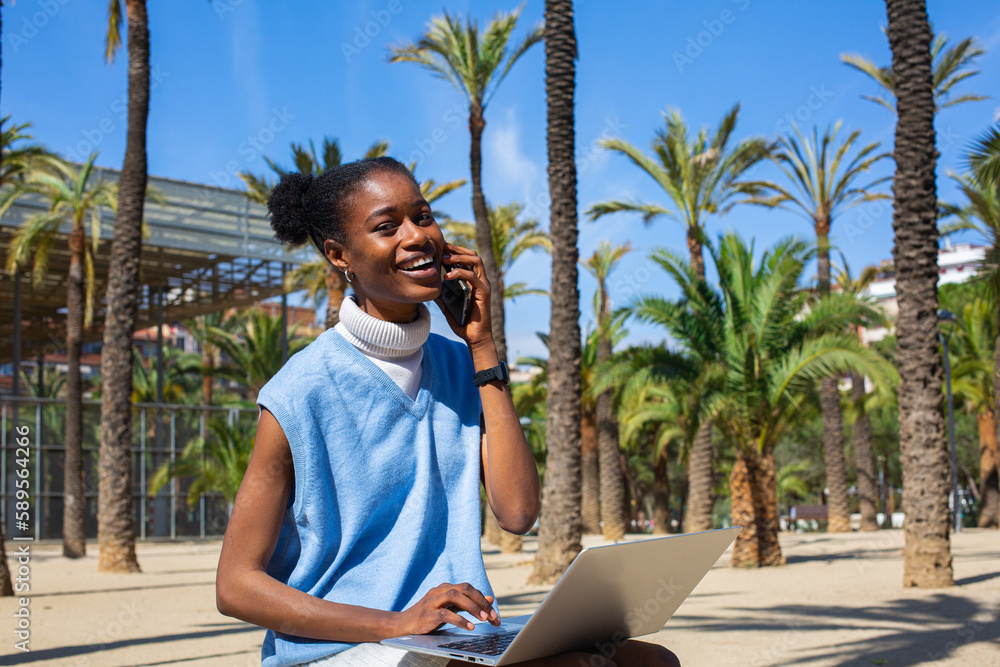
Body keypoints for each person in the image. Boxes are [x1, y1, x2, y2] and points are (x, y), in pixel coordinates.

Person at [215, 157, 680, 667]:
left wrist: (482, 346)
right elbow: (236, 585)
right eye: (387, 226)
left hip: (453, 640)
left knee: (650, 661)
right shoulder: (300, 390)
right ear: (339, 254)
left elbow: (519, 513)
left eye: (424, 216)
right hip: (346, 648)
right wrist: (393, 624)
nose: (417, 236)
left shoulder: (463, 364)